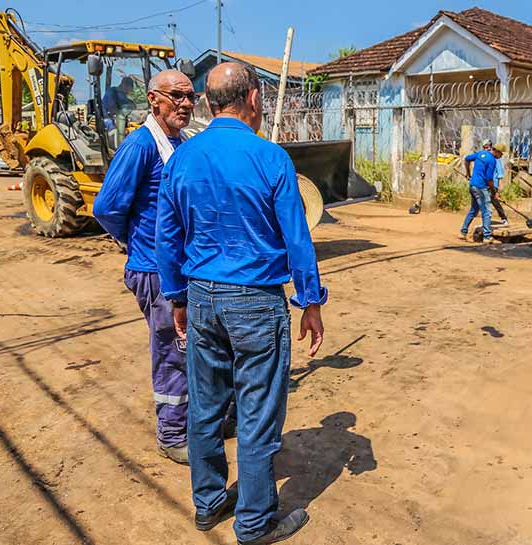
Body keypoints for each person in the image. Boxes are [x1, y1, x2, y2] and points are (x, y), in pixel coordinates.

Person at [156, 62, 324, 544]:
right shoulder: (270, 158)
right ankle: (254, 523)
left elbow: (168, 237)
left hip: (202, 297)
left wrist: (177, 298)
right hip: (255, 301)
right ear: (254, 98)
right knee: (257, 412)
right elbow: (298, 239)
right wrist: (309, 301)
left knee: (205, 407)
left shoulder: (182, 160)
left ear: (208, 104)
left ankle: (208, 503)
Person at [92, 69, 198, 465]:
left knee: (193, 349)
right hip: (155, 270)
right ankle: (172, 434)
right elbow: (105, 208)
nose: (186, 104)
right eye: (177, 96)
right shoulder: (141, 145)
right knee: (172, 350)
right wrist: (135, 240)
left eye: (191, 97)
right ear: (154, 99)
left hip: (177, 267)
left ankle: (204, 419)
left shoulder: (178, 142)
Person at [460, 143, 504, 243]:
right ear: (497, 152)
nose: (501, 157)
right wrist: (494, 192)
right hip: (481, 187)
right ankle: (487, 237)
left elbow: (467, 159)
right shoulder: (492, 160)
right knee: (487, 211)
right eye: (501, 154)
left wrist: (468, 173)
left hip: (473, 186)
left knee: (474, 210)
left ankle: (463, 232)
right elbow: (489, 179)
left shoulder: (481, 153)